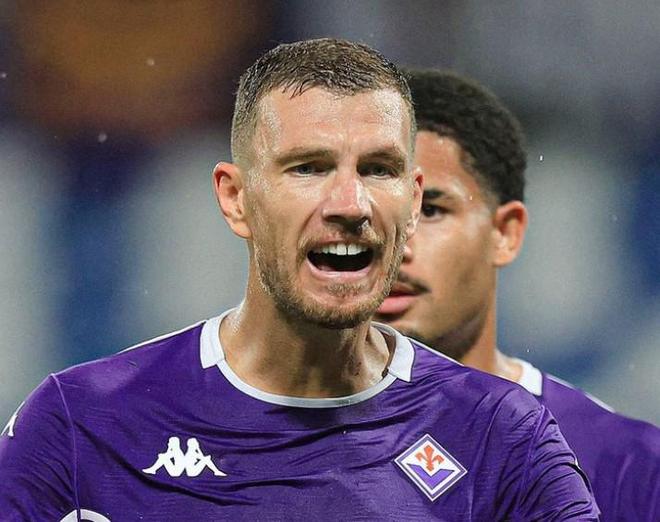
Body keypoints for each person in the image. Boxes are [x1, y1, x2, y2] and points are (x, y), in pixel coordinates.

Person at [0, 39, 598, 520]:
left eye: (379, 169)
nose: (351, 204)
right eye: (309, 168)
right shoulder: (84, 425)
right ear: (235, 199)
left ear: (414, 202)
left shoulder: (500, 437)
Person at [375, 68, 660, 521]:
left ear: (505, 233)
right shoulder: (255, 442)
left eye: (430, 210)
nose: (394, 244)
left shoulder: (621, 465)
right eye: (370, 210)